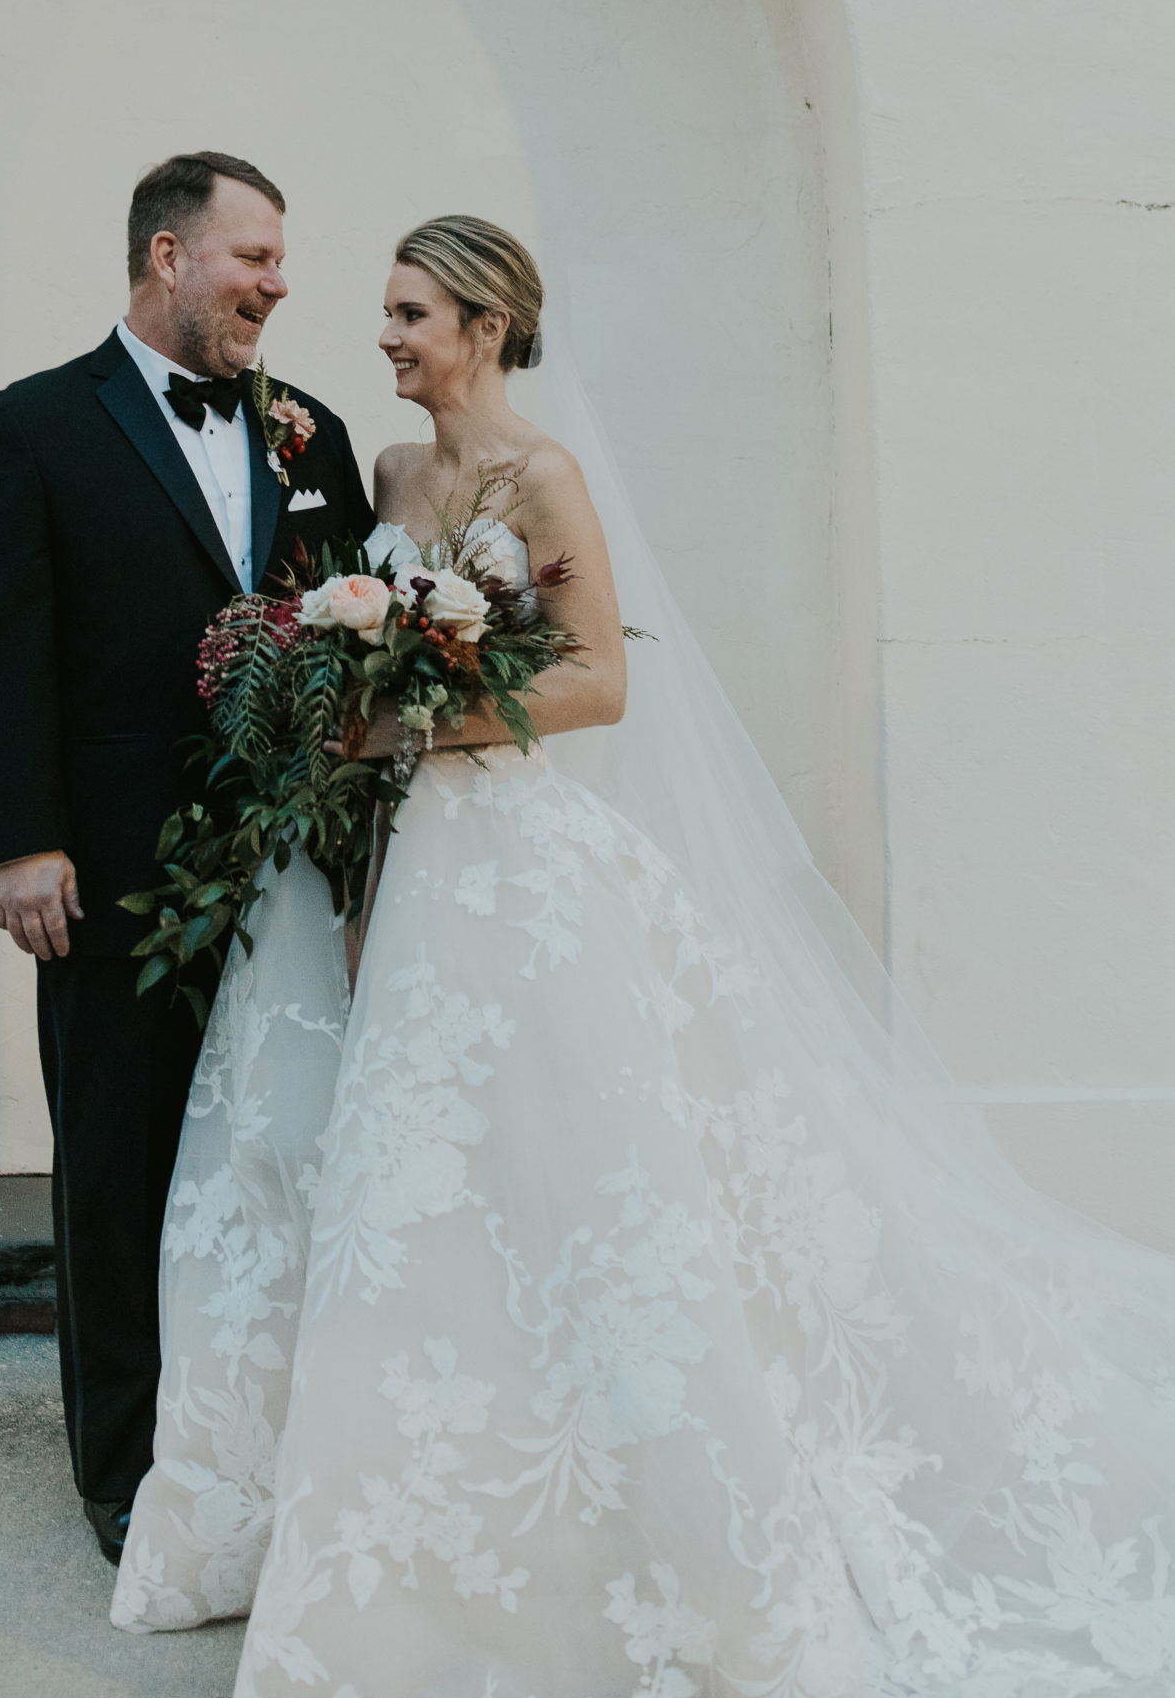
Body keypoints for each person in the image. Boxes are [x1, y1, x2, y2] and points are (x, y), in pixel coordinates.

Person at [113, 213, 1175, 1698]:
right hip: (401, 859)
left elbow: (600, 679)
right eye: (387, 312)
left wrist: (406, 719)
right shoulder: (396, 473)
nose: (387, 335)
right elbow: (367, 634)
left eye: (411, 311)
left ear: (483, 325)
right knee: (413, 1182)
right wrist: (345, 708)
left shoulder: (541, 475)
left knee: (557, 1177)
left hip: (508, 860)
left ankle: (618, 1506)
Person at [0, 151, 372, 1568]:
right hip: (114, 872)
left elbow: (354, 629)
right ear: (166, 258)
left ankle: (266, 1434)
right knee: (118, 1165)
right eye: (253, 256)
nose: (278, 282)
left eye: (280, 258)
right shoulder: (33, 427)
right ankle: (124, 1467)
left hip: (289, 875)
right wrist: (21, 841)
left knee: (275, 1155)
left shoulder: (311, 433)